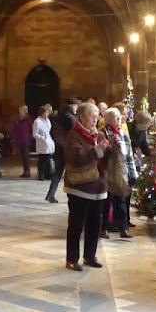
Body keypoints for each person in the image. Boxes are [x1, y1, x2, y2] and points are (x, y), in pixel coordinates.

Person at [62, 102, 111, 270]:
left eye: (97, 115)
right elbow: (76, 158)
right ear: (82, 116)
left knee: (95, 224)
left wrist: (110, 148)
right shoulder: (73, 135)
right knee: (76, 224)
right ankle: (72, 259)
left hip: (98, 186)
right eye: (92, 115)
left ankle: (90, 256)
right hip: (79, 187)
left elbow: (104, 158)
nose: (95, 119)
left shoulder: (99, 134)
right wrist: (97, 150)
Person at [102, 107, 135, 239]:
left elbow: (129, 155)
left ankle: (123, 228)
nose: (120, 119)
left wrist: (133, 173)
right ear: (109, 120)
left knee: (121, 201)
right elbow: (102, 154)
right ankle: (103, 228)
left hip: (121, 172)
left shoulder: (123, 134)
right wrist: (110, 145)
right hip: (107, 172)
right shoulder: (103, 133)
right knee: (106, 202)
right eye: (117, 118)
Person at [47, 97, 80, 203]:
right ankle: (75, 195)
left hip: (59, 147)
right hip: (67, 148)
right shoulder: (70, 118)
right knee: (74, 171)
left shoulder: (58, 116)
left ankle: (51, 194)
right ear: (72, 106)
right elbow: (76, 132)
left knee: (58, 172)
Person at [11, 105, 34, 178]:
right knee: (23, 157)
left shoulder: (29, 120)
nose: (20, 112)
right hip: (20, 141)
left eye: (21, 111)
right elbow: (15, 129)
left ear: (25, 112)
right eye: (19, 111)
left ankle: (27, 171)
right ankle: (25, 171)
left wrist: (30, 138)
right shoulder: (18, 120)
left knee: (26, 156)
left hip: (26, 141)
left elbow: (32, 129)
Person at [33, 104, 54, 180]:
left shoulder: (48, 121)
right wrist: (42, 138)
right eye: (45, 112)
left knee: (48, 160)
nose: (47, 114)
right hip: (42, 143)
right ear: (42, 113)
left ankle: (48, 174)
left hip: (48, 142)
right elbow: (35, 133)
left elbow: (49, 130)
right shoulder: (37, 121)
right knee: (42, 161)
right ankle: (41, 175)